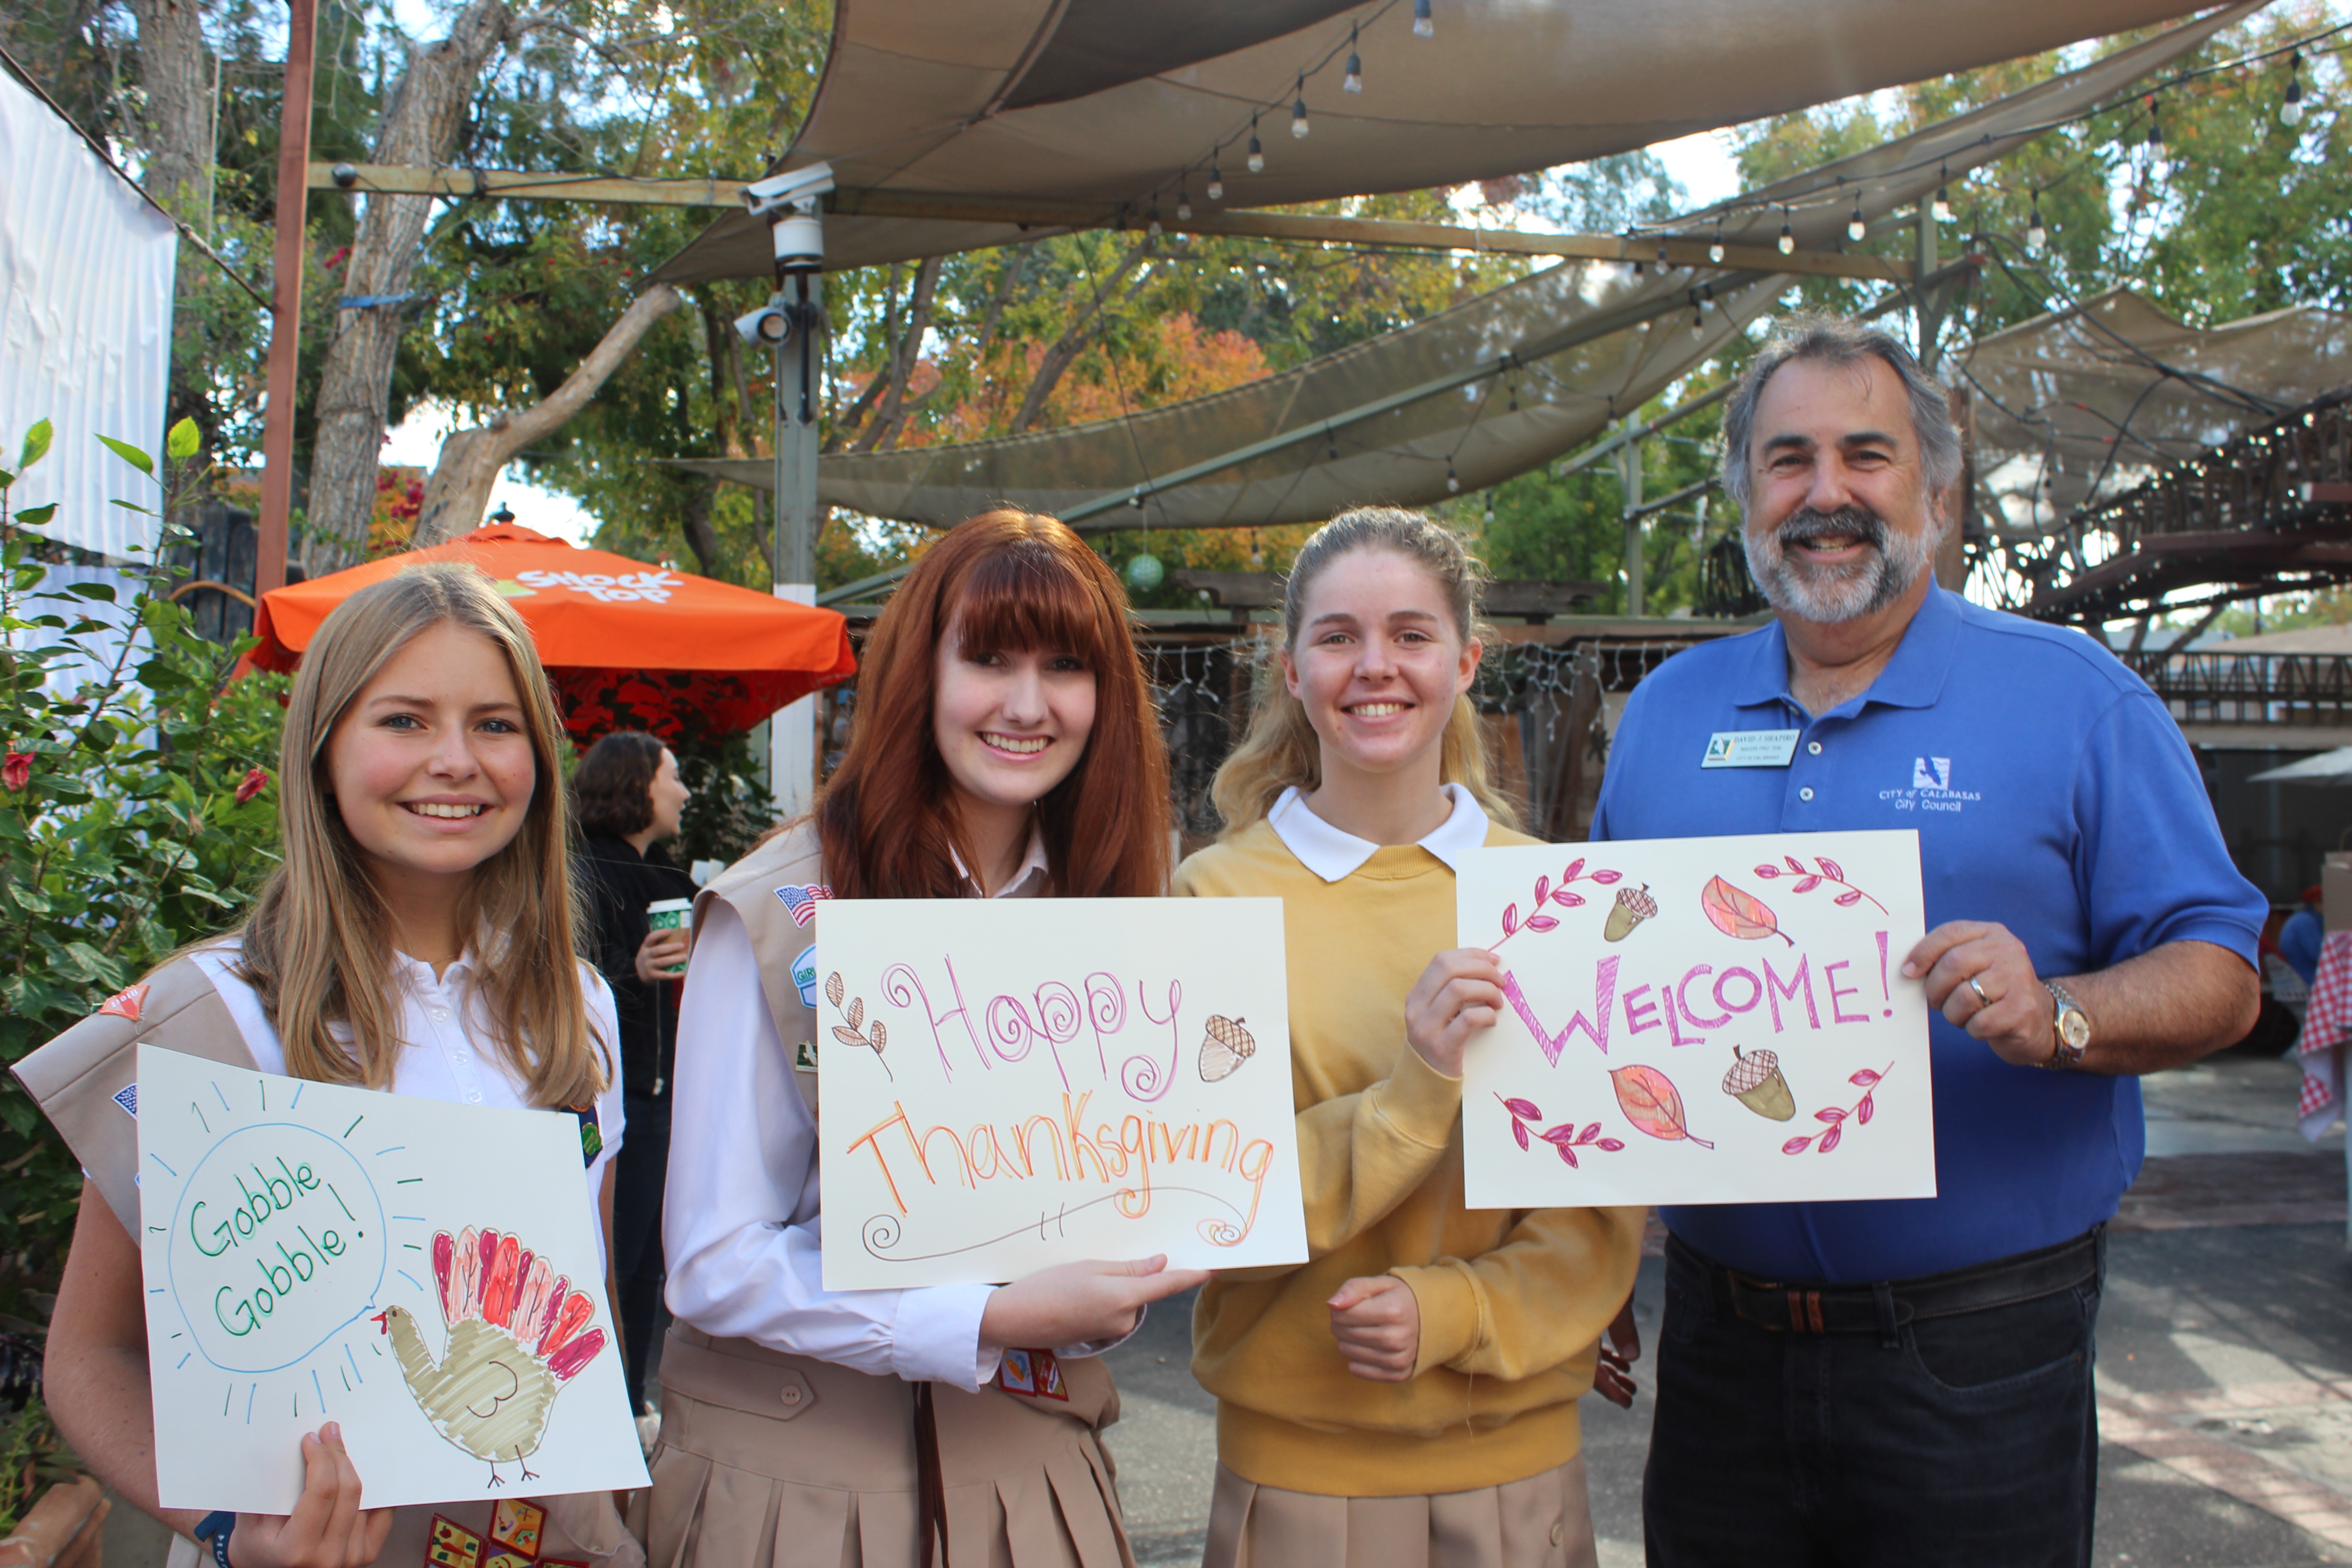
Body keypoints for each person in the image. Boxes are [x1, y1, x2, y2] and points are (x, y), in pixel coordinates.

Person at [1591, 316, 2266, 1567]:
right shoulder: (1668, 717)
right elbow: (1604, 1006)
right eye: (1788, 460)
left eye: (1867, 455)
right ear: (1745, 494)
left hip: (1979, 1356)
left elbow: (2225, 971)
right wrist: (1576, 1259)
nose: (1827, 493)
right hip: (1721, 1351)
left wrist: (2062, 1011)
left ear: (1938, 493)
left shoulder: (2075, 697)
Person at [19, 564, 637, 1568]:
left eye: (494, 723)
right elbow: (90, 1360)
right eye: (402, 720)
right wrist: (227, 1534)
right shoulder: (207, 1013)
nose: (455, 761)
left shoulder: (580, 1007)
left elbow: (587, 1307)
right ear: (323, 750)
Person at [646, 509, 1206, 1568]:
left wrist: (1118, 1283)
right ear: (919, 670)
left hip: (1037, 1477)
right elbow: (715, 1262)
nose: (1029, 705)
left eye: (1067, 666)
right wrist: (985, 1320)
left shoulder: (1111, 915)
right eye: (989, 659)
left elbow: (1085, 1219)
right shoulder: (777, 910)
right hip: (796, 1498)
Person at [1172, 507, 1644, 1568]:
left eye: (1412, 635)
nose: (1373, 667)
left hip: (1520, 1474)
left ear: (1468, 661)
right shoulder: (1213, 895)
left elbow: (1600, 1217)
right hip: (1299, 1480)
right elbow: (1202, 1189)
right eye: (1337, 637)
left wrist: (1457, 1310)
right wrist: (1414, 1089)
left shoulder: (1555, 899)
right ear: (1291, 670)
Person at [571, 730, 697, 1420]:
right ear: (637, 785)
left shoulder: (665, 881)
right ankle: (613, 1409)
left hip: (644, 1091)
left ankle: (623, 1405)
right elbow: (557, 986)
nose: (683, 791)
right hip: (624, 1097)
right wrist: (634, 973)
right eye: (673, 775)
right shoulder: (593, 877)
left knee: (637, 1258)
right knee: (623, 1259)